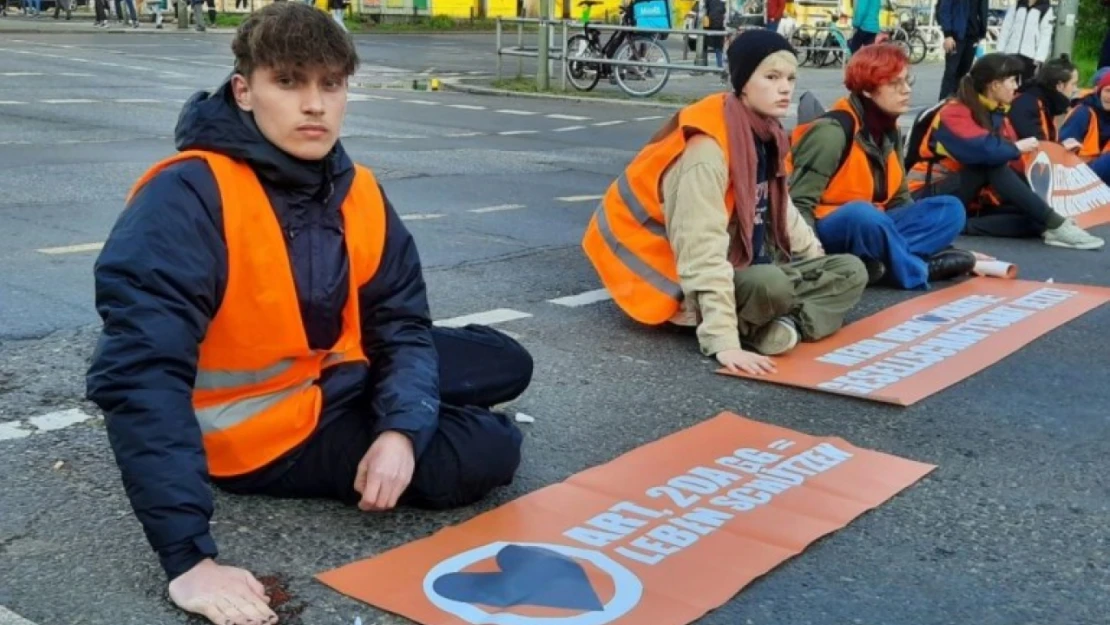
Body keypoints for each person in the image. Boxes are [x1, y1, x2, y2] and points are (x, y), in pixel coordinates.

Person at [85, 5, 533, 625]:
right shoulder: (187, 196)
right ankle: (422, 422)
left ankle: (408, 416)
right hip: (261, 432)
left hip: (336, 371)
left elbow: (400, 322)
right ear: (244, 91)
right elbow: (141, 376)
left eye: (331, 83)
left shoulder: (357, 188)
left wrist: (400, 431)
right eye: (289, 82)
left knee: (507, 361)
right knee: (483, 452)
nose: (315, 105)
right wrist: (188, 560)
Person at [581, 29, 868, 377]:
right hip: (671, 281)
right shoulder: (707, 152)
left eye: (791, 78)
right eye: (772, 77)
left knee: (851, 270)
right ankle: (760, 327)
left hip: (739, 263)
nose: (785, 88)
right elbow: (700, 251)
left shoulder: (767, 133)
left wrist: (819, 266)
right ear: (744, 82)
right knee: (770, 284)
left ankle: (781, 326)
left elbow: (783, 209)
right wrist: (724, 343)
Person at [787, 43, 972, 291]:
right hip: (832, 228)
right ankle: (918, 270)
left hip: (875, 226)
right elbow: (798, 205)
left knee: (951, 210)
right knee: (862, 215)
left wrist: (934, 237)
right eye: (895, 83)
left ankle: (879, 265)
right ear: (867, 90)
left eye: (908, 81)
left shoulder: (890, 129)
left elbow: (899, 201)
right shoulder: (832, 132)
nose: (906, 90)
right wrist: (813, 261)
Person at [908, 53, 1104, 249]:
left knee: (1036, 218)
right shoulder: (953, 111)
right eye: (1011, 80)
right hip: (927, 195)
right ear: (994, 85)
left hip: (968, 193)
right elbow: (984, 151)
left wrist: (1056, 160)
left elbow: (1017, 164)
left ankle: (959, 226)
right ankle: (1058, 225)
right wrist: (1017, 148)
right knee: (992, 165)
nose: (1016, 86)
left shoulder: (997, 111)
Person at [1008, 54, 1079, 143]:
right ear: (1059, 86)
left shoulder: (1044, 102)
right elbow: (1039, 146)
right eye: (1073, 84)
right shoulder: (1027, 105)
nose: (1076, 89)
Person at [1059, 71, 1110, 184]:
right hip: (1076, 171)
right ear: (1099, 91)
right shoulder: (1083, 112)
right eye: (1107, 91)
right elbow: (1061, 147)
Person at [936, 0, 989, 99]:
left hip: (973, 35)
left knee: (964, 74)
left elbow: (983, 9)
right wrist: (948, 35)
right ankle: (943, 105)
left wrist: (982, 31)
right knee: (951, 73)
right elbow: (944, 9)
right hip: (955, 36)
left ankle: (958, 104)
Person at [996, 0, 1054, 81]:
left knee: (1027, 84)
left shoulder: (1046, 8)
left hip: (1030, 55)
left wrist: (1039, 58)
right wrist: (1000, 50)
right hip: (1011, 51)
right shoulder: (1018, 4)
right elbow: (1006, 27)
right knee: (1009, 81)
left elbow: (1045, 35)